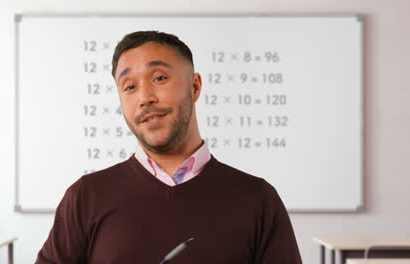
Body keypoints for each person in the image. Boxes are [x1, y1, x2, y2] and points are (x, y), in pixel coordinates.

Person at [36, 31, 302, 264]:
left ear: (195, 86)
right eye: (129, 87)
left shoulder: (258, 200)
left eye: (160, 78)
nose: (144, 98)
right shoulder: (85, 197)